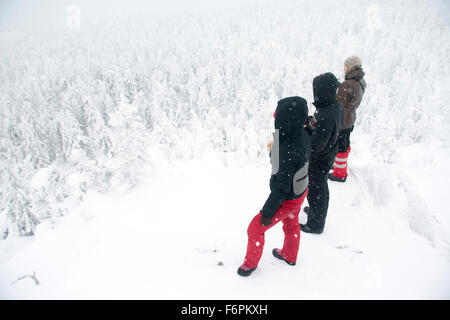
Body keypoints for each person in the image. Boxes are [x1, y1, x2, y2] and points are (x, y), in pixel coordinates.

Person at [237, 96, 311, 277]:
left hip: (288, 197)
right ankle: (289, 254)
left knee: (255, 228)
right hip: (300, 190)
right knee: (291, 221)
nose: (274, 117)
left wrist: (268, 212)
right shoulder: (304, 134)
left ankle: (250, 265)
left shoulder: (287, 149)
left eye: (277, 115)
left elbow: (281, 187)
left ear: (285, 120)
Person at [300, 73, 344, 234]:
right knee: (320, 187)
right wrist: (312, 123)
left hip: (320, 158)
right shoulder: (335, 106)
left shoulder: (326, 113)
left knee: (316, 189)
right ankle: (315, 212)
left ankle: (316, 224)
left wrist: (305, 137)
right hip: (329, 154)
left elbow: (317, 144)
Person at [329, 56, 366, 182]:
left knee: (340, 146)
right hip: (350, 118)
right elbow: (351, 97)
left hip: (343, 121)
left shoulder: (348, 84)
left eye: (345, 66)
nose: (343, 68)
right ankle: (341, 165)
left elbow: (339, 104)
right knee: (345, 143)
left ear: (350, 67)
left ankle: (339, 173)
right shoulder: (360, 81)